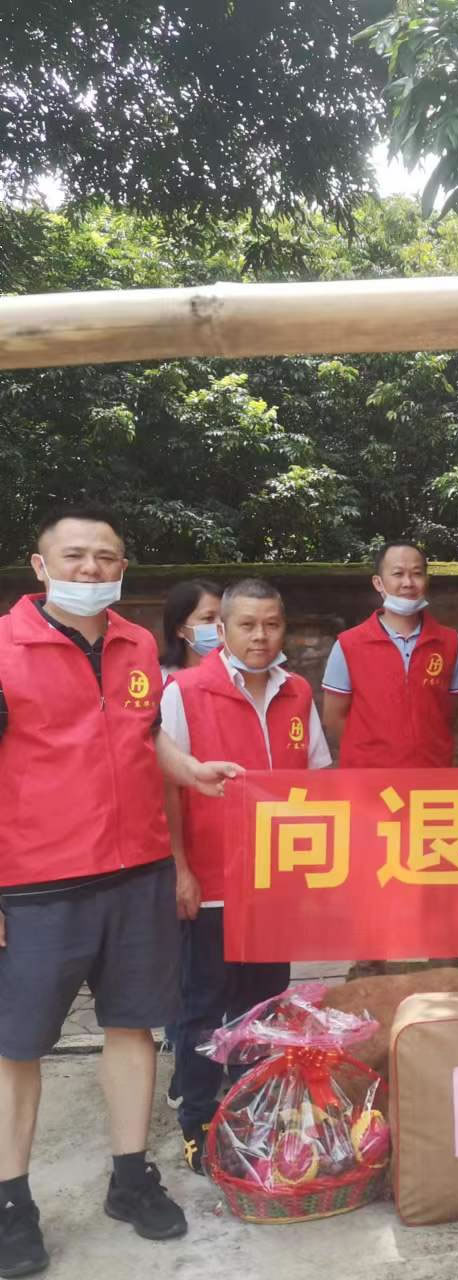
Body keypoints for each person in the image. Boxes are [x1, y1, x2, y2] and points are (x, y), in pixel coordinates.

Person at [0, 505, 241, 1277]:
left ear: (123, 567)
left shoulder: (137, 644)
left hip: (137, 872)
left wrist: (191, 769)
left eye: (106, 557)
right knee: (16, 1046)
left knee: (135, 1028)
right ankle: (12, 1204)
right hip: (36, 882)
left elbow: (144, 735)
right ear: (40, 567)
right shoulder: (4, 648)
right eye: (74, 556)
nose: (91, 569)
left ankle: (131, 1179)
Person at [161, 579, 331, 1175]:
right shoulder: (185, 691)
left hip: (274, 885)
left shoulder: (298, 692)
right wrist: (180, 869)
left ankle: (256, 1112)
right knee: (204, 1006)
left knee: (265, 1004)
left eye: (272, 624)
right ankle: (199, 1123)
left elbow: (318, 783)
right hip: (211, 882)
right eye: (247, 625)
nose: (261, 637)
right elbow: (168, 788)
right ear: (222, 629)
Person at [157, 579, 223, 1110]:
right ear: (182, 627)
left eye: (223, 617)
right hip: (174, 837)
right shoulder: (164, 686)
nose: (217, 628)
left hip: (226, 846)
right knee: (188, 969)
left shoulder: (238, 681)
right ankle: (187, 1066)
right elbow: (165, 780)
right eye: (208, 618)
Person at [322, 541, 458, 767]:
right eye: (398, 574)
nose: (408, 583)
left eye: (417, 574)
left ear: (426, 580)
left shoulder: (450, 642)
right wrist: (372, 753)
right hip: (368, 777)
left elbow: (448, 713)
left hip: (431, 773)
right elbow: (333, 718)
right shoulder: (348, 645)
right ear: (378, 582)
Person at [158, 580, 222, 682]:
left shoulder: (239, 678)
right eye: (209, 618)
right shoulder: (159, 681)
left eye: (224, 618)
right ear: (180, 629)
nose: (221, 625)